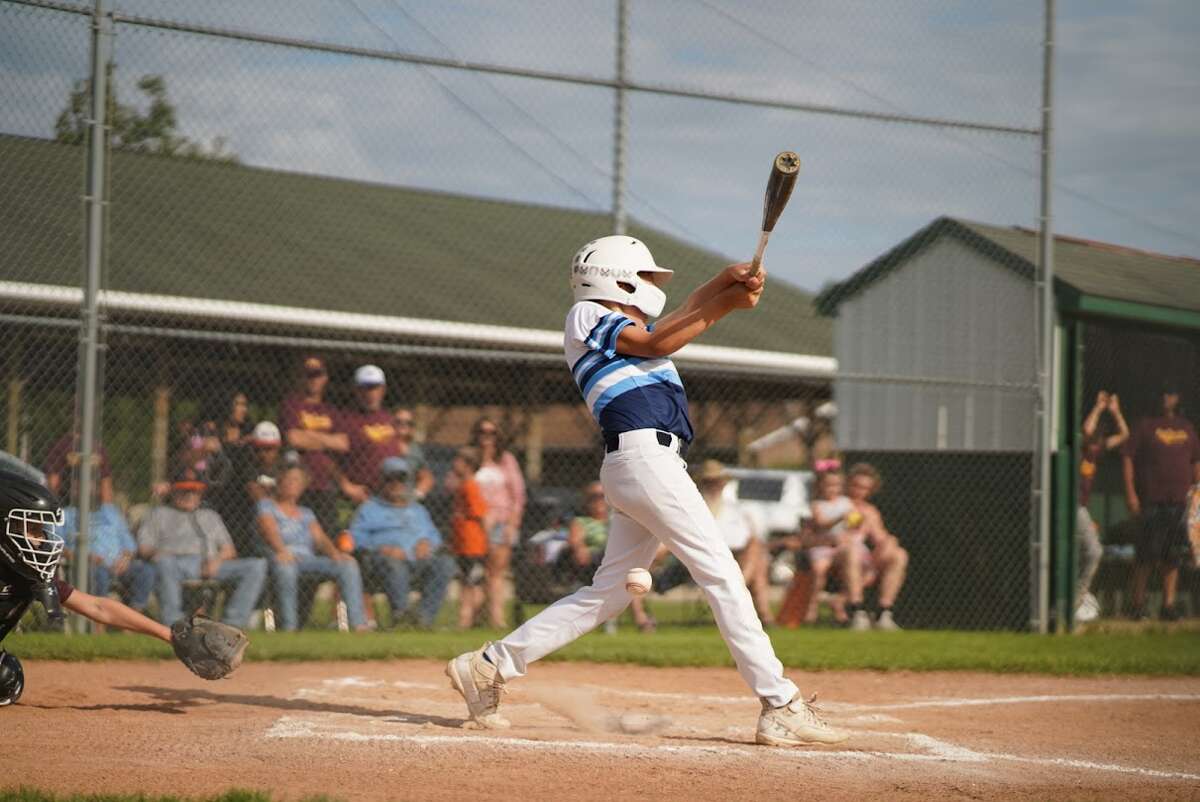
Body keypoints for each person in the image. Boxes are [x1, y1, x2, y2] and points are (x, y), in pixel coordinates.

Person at [445, 235, 846, 746]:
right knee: (722, 573)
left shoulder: (624, 327)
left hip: (645, 462)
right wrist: (724, 305)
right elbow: (662, 341)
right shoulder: (588, 314)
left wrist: (724, 285)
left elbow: (678, 318)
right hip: (646, 461)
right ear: (615, 277)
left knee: (609, 592)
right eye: (647, 277)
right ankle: (779, 702)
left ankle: (489, 665)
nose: (653, 286)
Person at [0, 469, 171, 705]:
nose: (41, 541)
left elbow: (98, 607)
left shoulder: (26, 574)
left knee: (5, 677)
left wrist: (169, 635)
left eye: (41, 531)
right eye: (31, 530)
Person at [137, 468, 267, 628]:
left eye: (194, 491)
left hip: (210, 563)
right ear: (173, 491)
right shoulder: (158, 514)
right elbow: (144, 548)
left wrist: (216, 561)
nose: (189, 495)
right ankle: (175, 624)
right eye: (183, 490)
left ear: (200, 493)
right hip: (175, 563)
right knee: (164, 563)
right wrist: (162, 554)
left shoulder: (210, 516)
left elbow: (229, 550)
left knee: (256, 565)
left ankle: (232, 624)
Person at [1122, 381, 1200, 621]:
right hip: (1152, 500)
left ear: (1177, 399)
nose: (1166, 398)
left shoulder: (1186, 428)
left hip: (1179, 502)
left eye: (1171, 394)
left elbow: (1196, 461)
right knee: (1145, 554)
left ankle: (1168, 606)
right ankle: (1136, 605)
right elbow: (1127, 458)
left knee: (1172, 555)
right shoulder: (1145, 426)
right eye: (1163, 393)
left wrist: (1197, 494)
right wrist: (1131, 494)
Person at [257, 464, 368, 631]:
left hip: (308, 559)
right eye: (288, 480)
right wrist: (281, 551)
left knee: (348, 565)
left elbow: (320, 539)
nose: (291, 484)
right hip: (282, 557)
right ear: (279, 482)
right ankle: (290, 627)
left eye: (297, 481)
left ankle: (358, 624)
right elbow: (269, 530)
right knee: (286, 569)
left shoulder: (306, 512)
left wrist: (335, 554)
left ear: (302, 487)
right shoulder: (266, 505)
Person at [348, 457, 455, 629]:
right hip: (383, 563)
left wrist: (427, 543)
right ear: (382, 481)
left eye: (401, 479)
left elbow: (435, 538)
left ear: (408, 482)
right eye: (391, 479)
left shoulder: (418, 510)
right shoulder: (369, 508)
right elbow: (355, 538)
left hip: (419, 561)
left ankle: (422, 620)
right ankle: (402, 617)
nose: (396, 484)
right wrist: (382, 548)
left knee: (445, 564)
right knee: (394, 564)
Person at [565, 480, 655, 632]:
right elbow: (576, 544)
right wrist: (580, 548)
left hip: (620, 561)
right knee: (628, 571)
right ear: (586, 500)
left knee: (629, 571)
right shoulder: (581, 521)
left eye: (602, 496)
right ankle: (640, 618)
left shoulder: (617, 520)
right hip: (594, 562)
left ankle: (632, 616)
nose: (599, 500)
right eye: (594, 496)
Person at [694, 461, 774, 627]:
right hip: (704, 557)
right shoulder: (695, 506)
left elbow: (745, 536)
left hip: (735, 556)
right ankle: (761, 614)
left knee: (755, 551)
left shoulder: (735, 508)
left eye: (718, 481)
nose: (715, 485)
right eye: (710, 481)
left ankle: (738, 591)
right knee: (757, 564)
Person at [465, 417, 526, 629]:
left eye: (492, 433)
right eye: (482, 432)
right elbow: (453, 488)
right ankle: (470, 619)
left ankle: (496, 619)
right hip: (473, 524)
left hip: (501, 522)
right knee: (472, 574)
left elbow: (518, 495)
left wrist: (512, 524)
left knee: (495, 572)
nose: (487, 438)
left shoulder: (506, 460)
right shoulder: (467, 460)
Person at [279, 356, 350, 536]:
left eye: (317, 374)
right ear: (300, 377)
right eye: (308, 374)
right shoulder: (291, 404)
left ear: (325, 377)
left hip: (325, 485)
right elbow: (293, 438)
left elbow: (342, 443)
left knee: (326, 536)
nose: (313, 378)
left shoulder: (331, 410)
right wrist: (327, 440)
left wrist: (309, 436)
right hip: (298, 487)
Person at [1076, 392, 1129, 622]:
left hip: (1081, 509)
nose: (1097, 437)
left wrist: (1116, 412)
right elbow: (1087, 431)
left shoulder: (1095, 452)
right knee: (1092, 552)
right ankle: (1075, 600)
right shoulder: (1078, 445)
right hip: (1072, 506)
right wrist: (1098, 407)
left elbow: (1124, 435)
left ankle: (1076, 599)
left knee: (1091, 553)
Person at [209, 421, 293, 557]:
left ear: (278, 448)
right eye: (258, 448)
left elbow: (295, 489)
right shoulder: (246, 464)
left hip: (281, 518)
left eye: (269, 448)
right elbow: (258, 497)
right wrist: (278, 493)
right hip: (251, 520)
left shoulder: (285, 465)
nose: (263, 453)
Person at [845, 463, 910, 630]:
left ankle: (883, 612)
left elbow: (879, 537)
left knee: (899, 555)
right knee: (852, 551)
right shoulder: (838, 504)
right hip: (838, 553)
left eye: (865, 488)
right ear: (848, 483)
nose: (859, 491)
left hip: (863, 557)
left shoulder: (870, 511)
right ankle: (856, 611)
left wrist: (890, 542)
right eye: (856, 485)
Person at [62, 500, 155, 616]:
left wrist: (126, 558)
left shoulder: (111, 512)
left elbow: (130, 545)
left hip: (119, 565)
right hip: (88, 566)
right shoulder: (65, 514)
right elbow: (57, 546)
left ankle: (131, 623)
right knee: (99, 573)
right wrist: (83, 557)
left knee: (145, 571)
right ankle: (98, 625)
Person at [806, 470, 872, 630]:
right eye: (828, 485)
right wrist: (840, 517)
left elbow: (855, 524)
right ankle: (812, 607)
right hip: (823, 547)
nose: (832, 488)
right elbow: (821, 524)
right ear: (820, 486)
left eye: (836, 485)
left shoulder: (846, 502)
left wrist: (857, 522)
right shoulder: (817, 505)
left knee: (867, 571)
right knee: (819, 569)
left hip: (843, 547)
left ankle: (841, 602)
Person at [340, 365, 402, 504]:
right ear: (356, 390)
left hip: (388, 494)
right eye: (365, 388)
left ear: (383, 390)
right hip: (360, 495)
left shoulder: (389, 419)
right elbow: (329, 458)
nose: (370, 393)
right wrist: (346, 485)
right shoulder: (345, 420)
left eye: (375, 387)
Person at [449, 447, 490, 629]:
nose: (454, 464)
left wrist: (485, 541)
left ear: (467, 465)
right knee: (469, 582)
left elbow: (481, 515)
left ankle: (465, 620)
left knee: (470, 584)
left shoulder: (470, 486)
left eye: (458, 461)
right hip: (464, 545)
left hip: (472, 545)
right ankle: (469, 619)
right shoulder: (463, 485)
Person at [42, 430, 114, 506]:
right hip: (70, 502)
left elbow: (53, 483)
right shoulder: (98, 447)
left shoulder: (61, 445)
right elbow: (106, 489)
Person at [392, 407, 435, 499]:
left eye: (408, 423)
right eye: (399, 422)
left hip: (406, 499)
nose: (403, 425)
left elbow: (427, 478)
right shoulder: (383, 444)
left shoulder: (415, 449)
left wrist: (416, 495)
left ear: (411, 427)